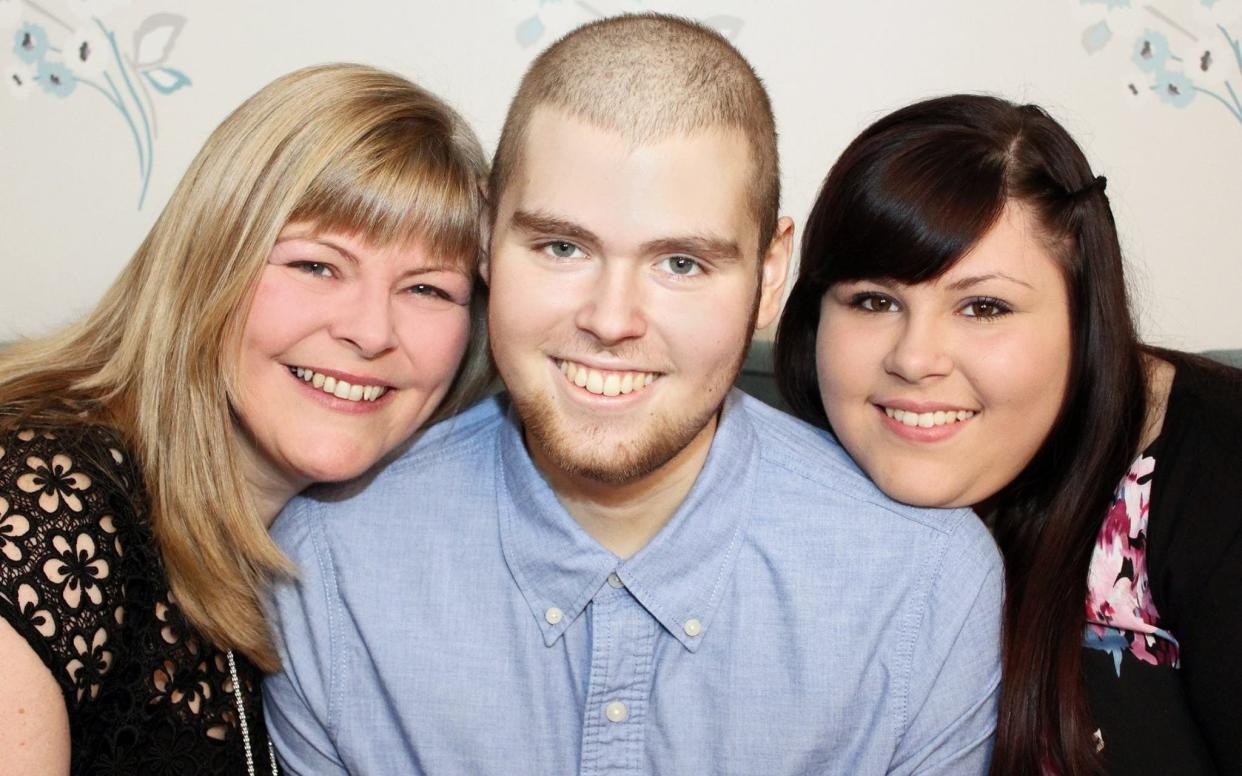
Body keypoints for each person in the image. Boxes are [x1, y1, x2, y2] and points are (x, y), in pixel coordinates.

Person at [264, 15, 1004, 775]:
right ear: (485, 238)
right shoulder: (329, 567)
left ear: (769, 275)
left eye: (681, 263)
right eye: (562, 247)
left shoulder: (926, 586)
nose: (611, 321)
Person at [0, 63, 492, 775]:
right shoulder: (44, 506)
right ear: (210, 261)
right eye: (317, 266)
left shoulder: (332, 557)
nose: (371, 331)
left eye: (426, 288)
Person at [774, 93, 1242, 775]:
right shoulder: (774, 492)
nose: (914, 358)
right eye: (874, 301)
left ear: (1083, 317)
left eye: (983, 306)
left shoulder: (1219, 479)